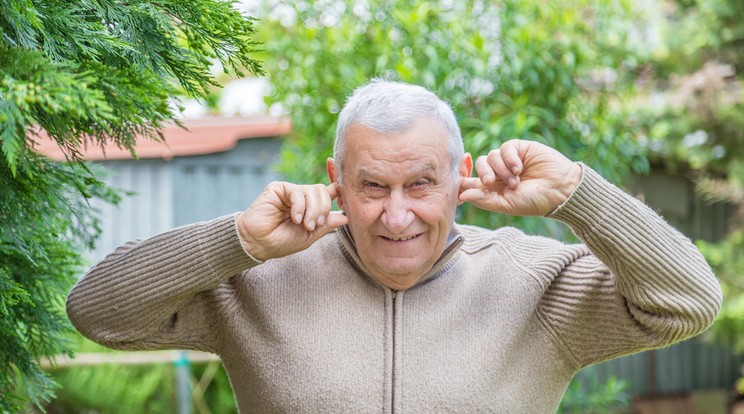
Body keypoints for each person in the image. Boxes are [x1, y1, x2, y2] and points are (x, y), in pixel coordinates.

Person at [67, 79, 722, 413]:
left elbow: (688, 302)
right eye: (373, 185)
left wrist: (578, 194)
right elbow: (100, 312)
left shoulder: (533, 281)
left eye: (421, 184)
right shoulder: (259, 280)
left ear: (460, 180)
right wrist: (237, 239)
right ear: (337, 185)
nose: (396, 214)